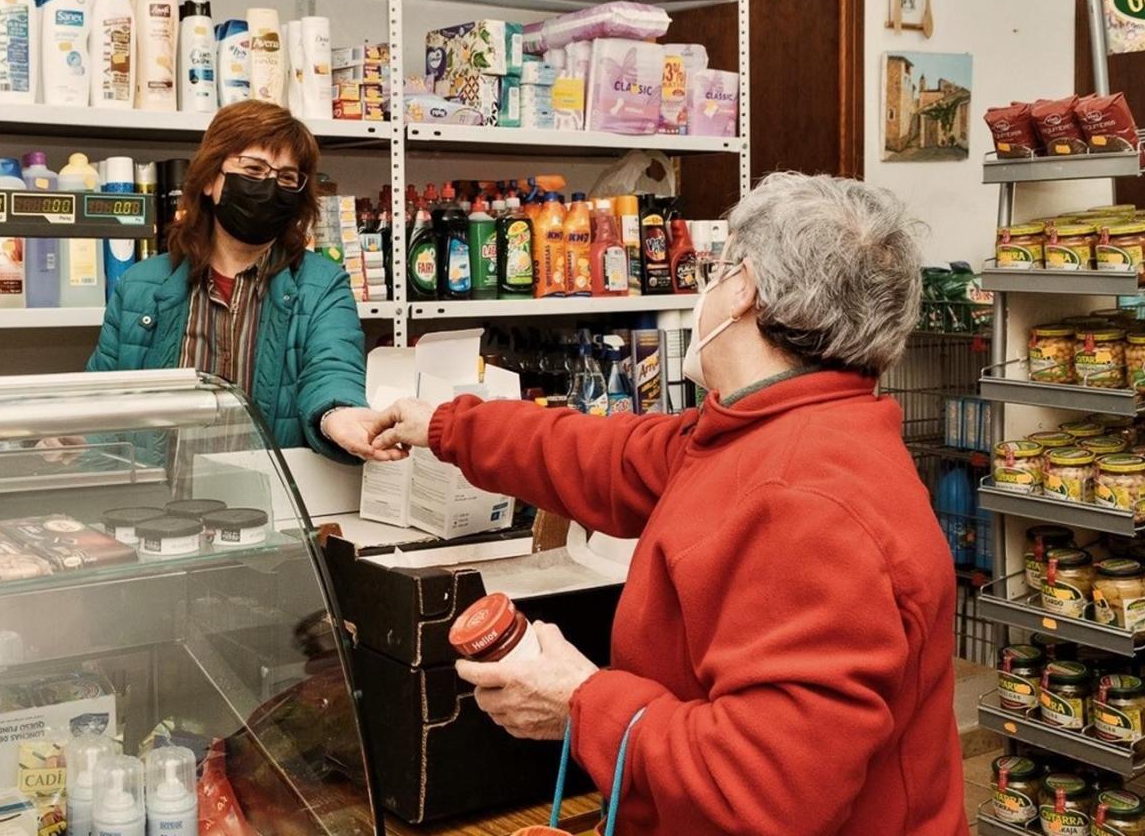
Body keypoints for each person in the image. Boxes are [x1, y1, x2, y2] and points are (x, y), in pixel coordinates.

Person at [368, 173, 967, 835]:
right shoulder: (761, 429)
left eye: (715, 268)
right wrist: (446, 426)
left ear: (744, 287)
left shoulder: (805, 501)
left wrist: (581, 703)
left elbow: (765, 790)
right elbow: (604, 456)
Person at [84, 100, 387, 463]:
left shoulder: (322, 286)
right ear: (210, 179)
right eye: (253, 169)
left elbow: (333, 368)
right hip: (160, 511)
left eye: (286, 178)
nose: (270, 186)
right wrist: (72, 443)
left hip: (269, 506)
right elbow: (99, 404)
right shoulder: (139, 286)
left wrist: (337, 415)